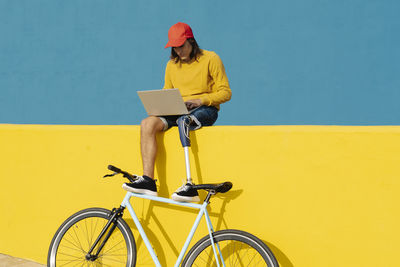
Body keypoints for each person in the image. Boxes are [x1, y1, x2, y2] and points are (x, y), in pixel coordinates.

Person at [123, 22, 231, 202]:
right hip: (178, 109)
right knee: (147, 123)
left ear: (191, 41)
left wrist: (201, 100)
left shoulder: (211, 58)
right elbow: (167, 90)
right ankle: (148, 181)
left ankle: (190, 186)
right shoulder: (171, 65)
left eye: (181, 46)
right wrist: (162, 104)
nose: (178, 51)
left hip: (205, 109)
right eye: (175, 47)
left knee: (184, 122)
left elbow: (226, 92)